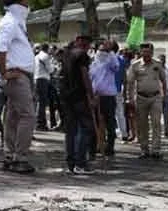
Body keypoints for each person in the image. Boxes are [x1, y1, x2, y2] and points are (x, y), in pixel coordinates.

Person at [0, 0, 36, 173]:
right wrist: (4, 73)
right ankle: (20, 158)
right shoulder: (10, 21)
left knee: (12, 118)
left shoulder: (16, 22)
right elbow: (0, 48)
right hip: (17, 76)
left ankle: (10, 155)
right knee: (28, 116)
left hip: (19, 76)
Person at [60, 34, 96, 174]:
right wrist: (91, 95)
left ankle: (71, 162)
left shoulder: (67, 54)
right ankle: (80, 162)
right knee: (86, 128)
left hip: (66, 96)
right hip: (79, 96)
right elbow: (85, 75)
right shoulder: (82, 56)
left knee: (71, 130)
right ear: (86, 44)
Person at [126, 43, 168, 159]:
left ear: (152, 53)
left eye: (148, 52)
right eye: (143, 52)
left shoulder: (157, 64)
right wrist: (130, 99)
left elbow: (164, 80)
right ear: (140, 52)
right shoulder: (135, 65)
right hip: (141, 98)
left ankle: (156, 150)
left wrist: (164, 95)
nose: (146, 54)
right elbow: (130, 83)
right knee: (142, 124)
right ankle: (144, 149)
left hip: (155, 98)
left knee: (156, 123)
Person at [90, 39, 119, 157]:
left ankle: (110, 147)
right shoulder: (92, 63)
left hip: (108, 96)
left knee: (110, 123)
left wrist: (110, 51)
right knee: (95, 123)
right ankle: (94, 147)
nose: (102, 52)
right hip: (96, 97)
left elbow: (116, 67)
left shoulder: (110, 62)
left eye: (105, 50)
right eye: (100, 50)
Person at [33, 44, 54, 130]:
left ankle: (38, 122)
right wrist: (54, 68)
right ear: (47, 49)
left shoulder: (36, 57)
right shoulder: (45, 56)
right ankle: (40, 123)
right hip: (43, 80)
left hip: (36, 79)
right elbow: (50, 69)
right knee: (42, 102)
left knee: (38, 101)